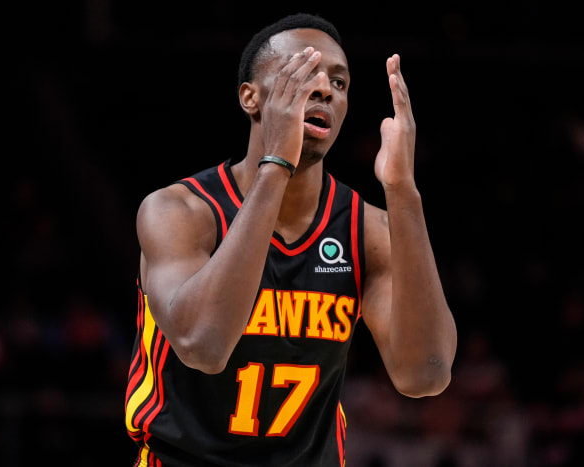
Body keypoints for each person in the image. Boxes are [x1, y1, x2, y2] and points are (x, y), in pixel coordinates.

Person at [124, 12, 457, 467]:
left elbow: (425, 375)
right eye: (302, 75)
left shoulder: (367, 230)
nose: (324, 90)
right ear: (250, 98)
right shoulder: (178, 211)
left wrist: (404, 193)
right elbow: (203, 344)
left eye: (339, 84)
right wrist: (277, 163)